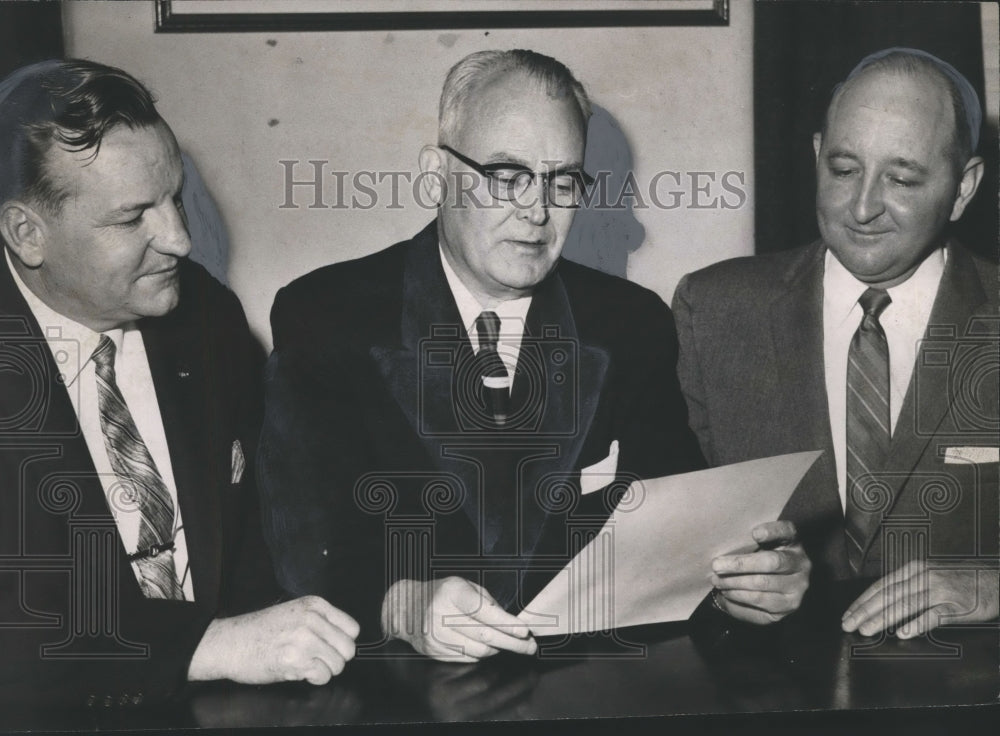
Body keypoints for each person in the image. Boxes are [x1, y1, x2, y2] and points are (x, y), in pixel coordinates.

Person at [258, 49, 811, 662]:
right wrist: (399, 605)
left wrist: (747, 583)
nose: (538, 210)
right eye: (506, 175)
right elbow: (301, 549)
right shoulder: (327, 314)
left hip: (587, 687)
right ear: (436, 173)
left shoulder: (630, 323)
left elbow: (682, 539)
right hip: (400, 690)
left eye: (562, 180)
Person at [0, 60, 358, 709]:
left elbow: (277, 529)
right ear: (28, 234)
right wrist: (203, 644)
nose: (180, 238)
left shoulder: (206, 318)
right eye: (134, 217)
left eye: (175, 196)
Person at [674, 48, 998, 637]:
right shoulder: (713, 310)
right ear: (818, 155)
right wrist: (725, 591)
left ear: (963, 188)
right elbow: (662, 542)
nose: (864, 207)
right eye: (844, 170)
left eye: (901, 179)